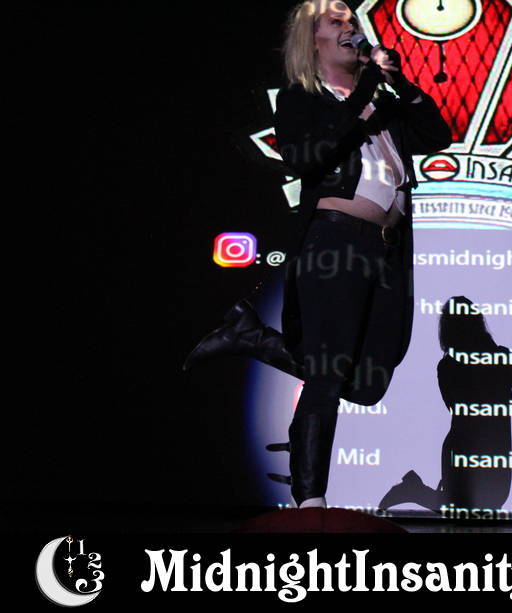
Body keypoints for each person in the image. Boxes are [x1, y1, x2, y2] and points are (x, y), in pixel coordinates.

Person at [183, 0, 451, 509]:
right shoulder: (301, 97)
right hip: (334, 244)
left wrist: (397, 82)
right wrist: (363, 96)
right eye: (337, 21)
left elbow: (438, 136)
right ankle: (311, 500)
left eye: (353, 20)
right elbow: (307, 157)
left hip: (387, 250)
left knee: (367, 385)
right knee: (326, 374)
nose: (351, 27)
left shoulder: (383, 100)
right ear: (313, 40)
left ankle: (252, 337)